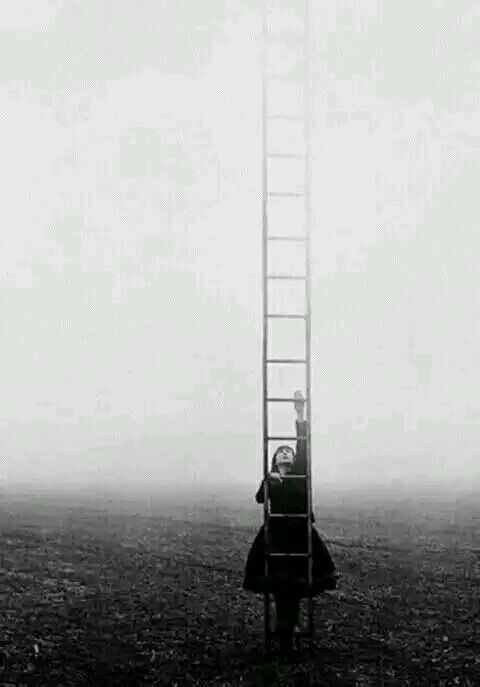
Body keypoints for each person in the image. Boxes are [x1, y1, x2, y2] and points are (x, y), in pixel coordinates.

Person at [243, 391, 337, 652]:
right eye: (280, 452)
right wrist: (268, 480)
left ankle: (288, 628)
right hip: (276, 534)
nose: (285, 453)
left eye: (288, 452)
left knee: (294, 583)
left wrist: (300, 414)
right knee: (279, 583)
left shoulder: (300, 473)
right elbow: (260, 499)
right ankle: (286, 628)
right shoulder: (272, 478)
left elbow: (303, 444)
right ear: (275, 460)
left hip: (299, 533)